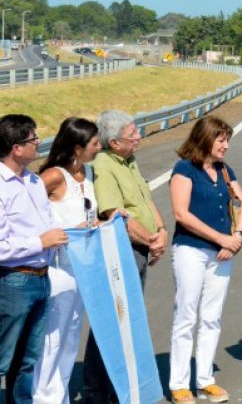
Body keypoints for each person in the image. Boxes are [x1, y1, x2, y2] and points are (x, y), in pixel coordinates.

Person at [84, 110, 168, 403]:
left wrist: (160, 230)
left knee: (128, 321)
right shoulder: (105, 166)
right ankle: (97, 388)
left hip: (142, 247)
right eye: (132, 136)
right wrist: (150, 240)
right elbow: (114, 214)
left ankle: (118, 386)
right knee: (112, 321)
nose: (138, 138)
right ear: (114, 142)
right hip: (124, 251)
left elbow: (145, 199)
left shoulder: (129, 160)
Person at [169, 116, 242, 404]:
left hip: (223, 253)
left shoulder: (226, 171)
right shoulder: (184, 169)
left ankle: (204, 380)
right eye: (221, 140)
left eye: (228, 140)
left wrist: (236, 237)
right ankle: (179, 384)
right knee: (186, 315)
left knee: (212, 317)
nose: (226, 146)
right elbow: (181, 214)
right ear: (205, 139)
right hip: (191, 250)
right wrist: (221, 239)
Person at [32, 118, 101, 404]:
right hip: (58, 268)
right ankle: (42, 398)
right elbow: (27, 211)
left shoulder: (90, 173)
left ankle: (59, 396)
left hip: (82, 269)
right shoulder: (54, 176)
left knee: (72, 336)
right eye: (95, 143)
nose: (100, 147)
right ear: (77, 147)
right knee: (52, 338)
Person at [0, 114, 68, 403]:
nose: (39, 143)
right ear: (16, 148)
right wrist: (40, 242)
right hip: (14, 280)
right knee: (3, 358)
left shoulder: (33, 181)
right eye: (33, 139)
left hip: (42, 277)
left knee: (28, 359)